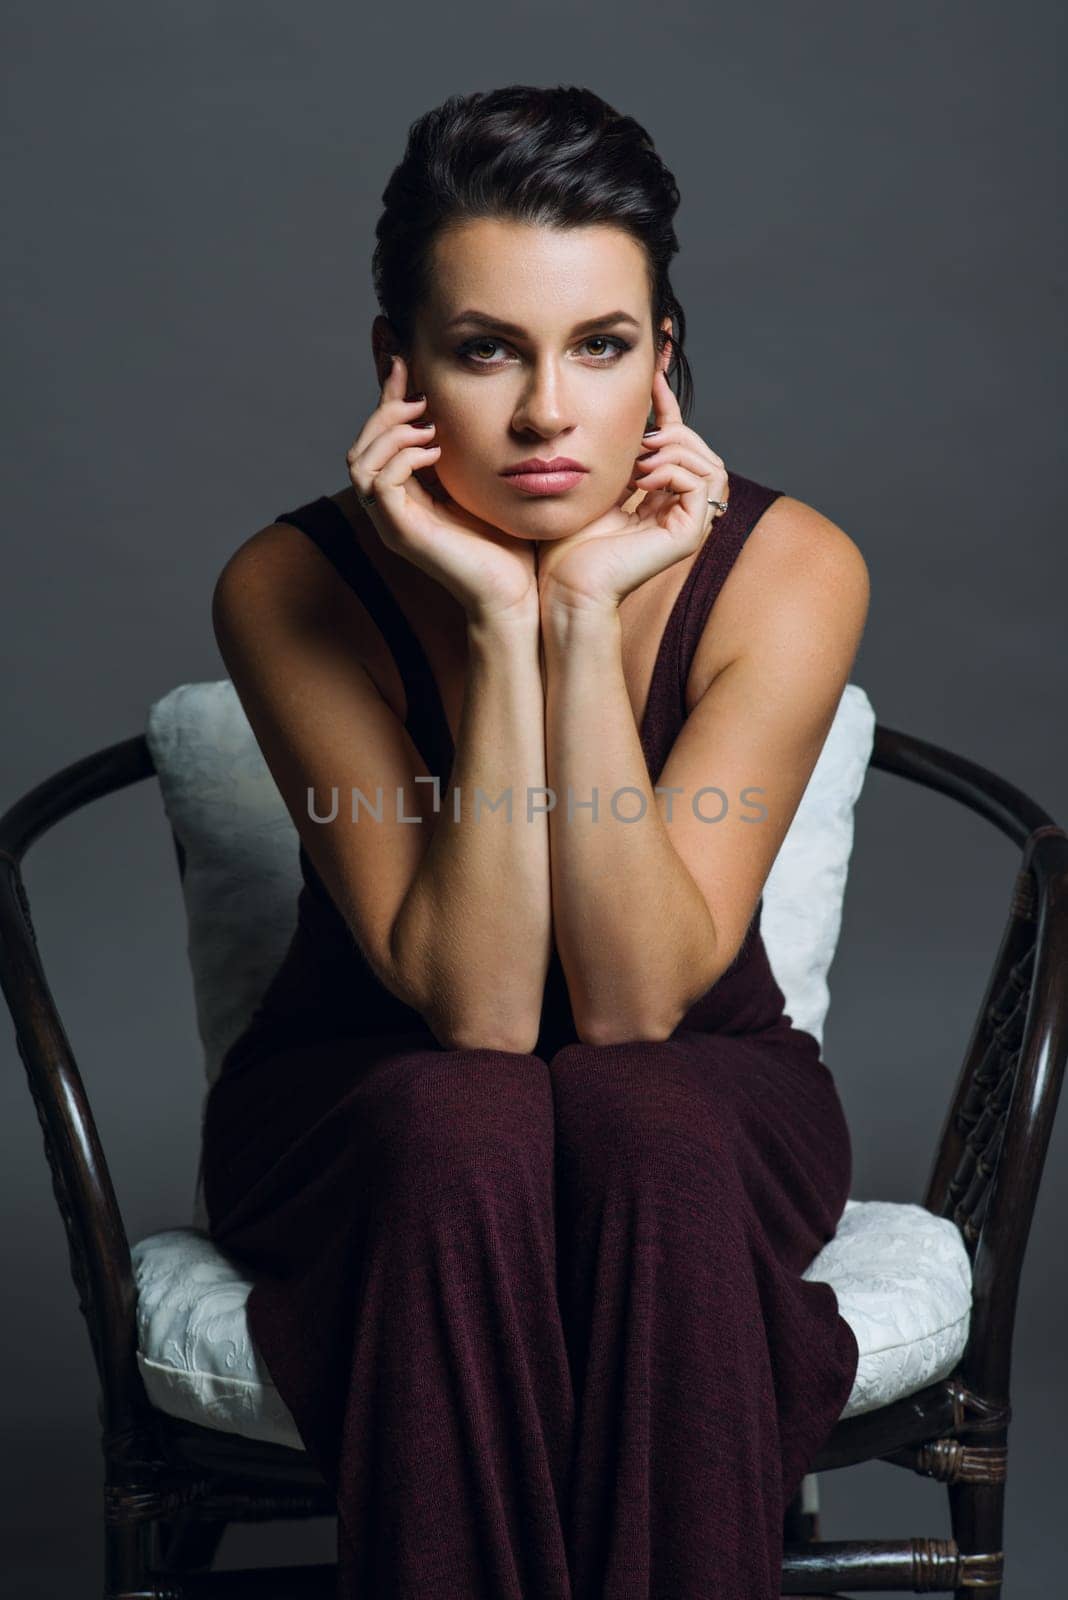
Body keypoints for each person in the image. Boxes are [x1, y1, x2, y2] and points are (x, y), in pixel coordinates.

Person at [201, 82, 869, 1600]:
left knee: (650, 1117)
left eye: (602, 346)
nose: (550, 412)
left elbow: (636, 1007)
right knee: (467, 1123)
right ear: (401, 369)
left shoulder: (789, 568)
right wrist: (507, 622)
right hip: (370, 1092)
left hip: (706, 1080)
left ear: (665, 362)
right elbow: (485, 1019)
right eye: (488, 348)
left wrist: (580, 615)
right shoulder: (287, 585)